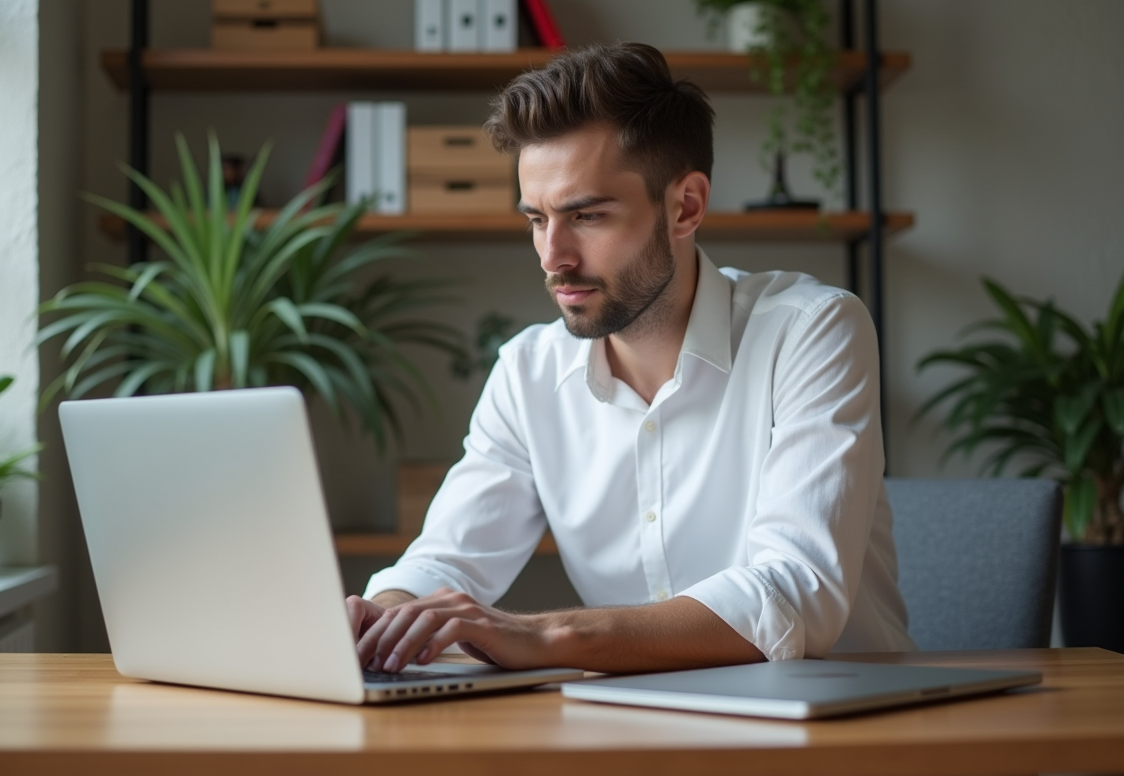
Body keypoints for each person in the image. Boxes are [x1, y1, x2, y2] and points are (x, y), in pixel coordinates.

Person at [346, 42, 913, 674]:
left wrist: (550, 636)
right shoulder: (528, 373)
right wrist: (386, 615)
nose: (553, 257)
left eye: (586, 215)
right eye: (536, 220)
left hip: (840, 717)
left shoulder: (811, 330)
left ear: (684, 206)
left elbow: (795, 593)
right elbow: (445, 559)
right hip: (634, 717)